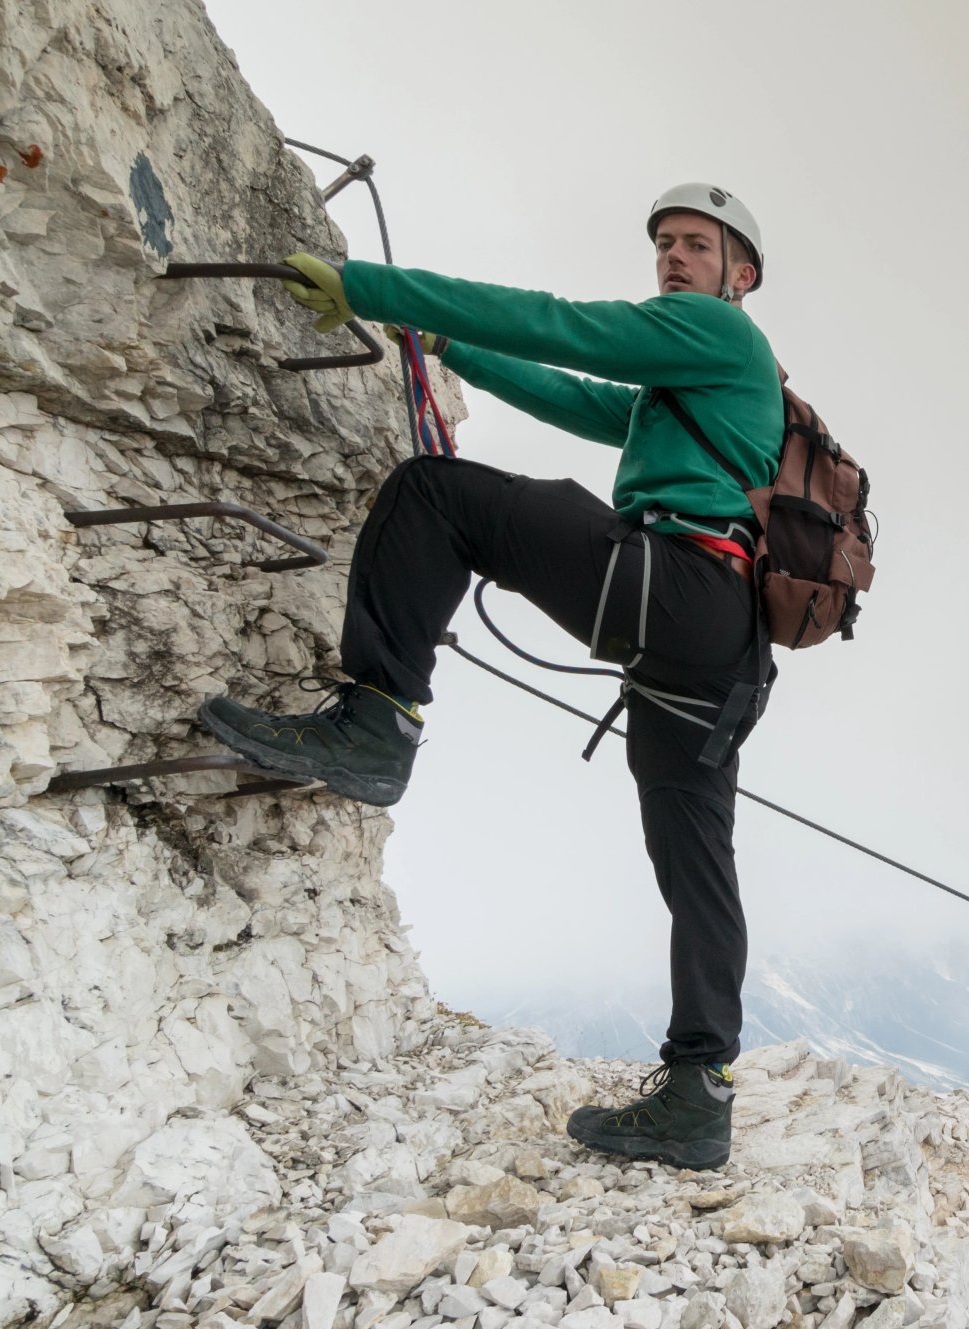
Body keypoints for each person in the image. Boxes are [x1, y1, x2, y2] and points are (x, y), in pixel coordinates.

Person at [197, 183, 784, 1171]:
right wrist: (449, 347)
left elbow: (562, 329)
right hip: (715, 639)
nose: (673, 258)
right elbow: (582, 399)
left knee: (436, 496)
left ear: (741, 274)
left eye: (696, 244)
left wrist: (377, 291)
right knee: (696, 862)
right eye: (664, 245)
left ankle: (376, 721)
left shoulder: (714, 335)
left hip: (674, 584)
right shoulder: (691, 384)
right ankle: (698, 1094)